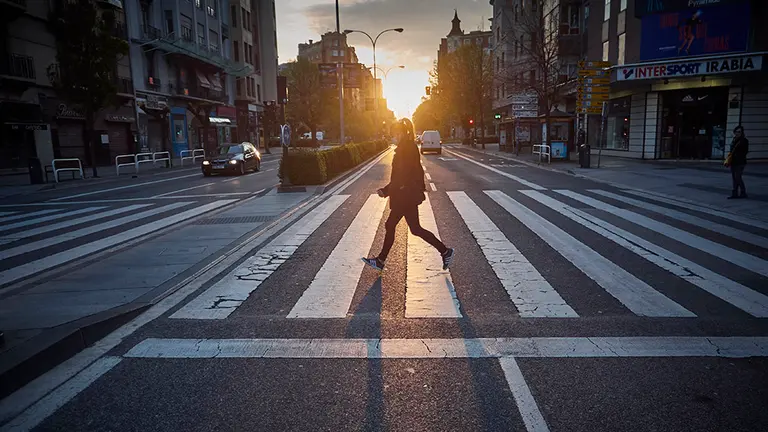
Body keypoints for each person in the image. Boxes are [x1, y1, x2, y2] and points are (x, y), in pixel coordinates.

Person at [362, 118, 455, 272]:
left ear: (403, 132)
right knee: (415, 229)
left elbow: (402, 175)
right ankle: (445, 251)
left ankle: (380, 261)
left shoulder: (407, 148)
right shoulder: (406, 147)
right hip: (406, 194)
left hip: (405, 195)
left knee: (391, 225)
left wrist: (386, 190)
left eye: (396, 133)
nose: (394, 136)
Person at [726, 125, 749, 199]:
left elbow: (745, 152)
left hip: (740, 162)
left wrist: (737, 155)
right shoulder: (734, 140)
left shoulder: (744, 141)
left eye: (739, 132)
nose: (737, 133)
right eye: (736, 131)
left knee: (738, 177)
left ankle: (743, 192)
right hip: (733, 162)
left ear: (742, 133)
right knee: (734, 178)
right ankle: (734, 193)